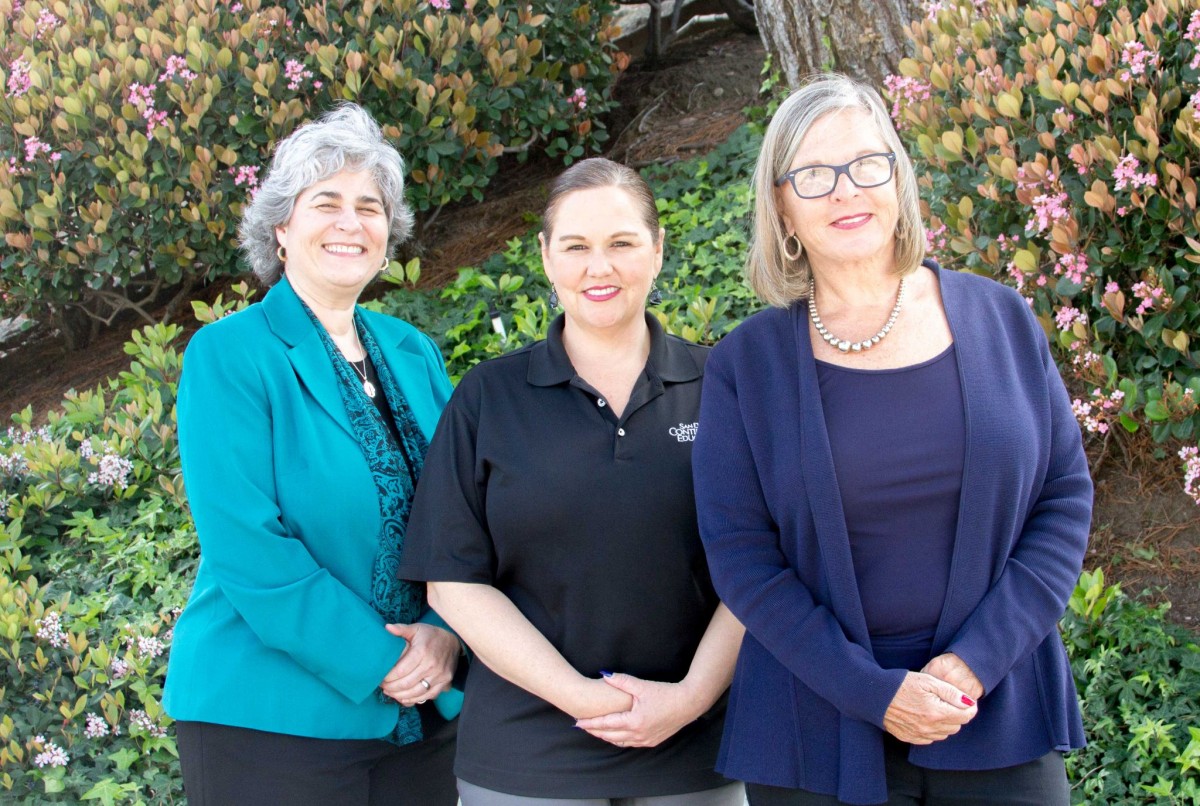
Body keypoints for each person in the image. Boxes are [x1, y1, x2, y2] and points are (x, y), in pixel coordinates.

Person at [692, 74, 1093, 806]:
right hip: (814, 729)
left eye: (866, 164)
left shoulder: (1000, 319)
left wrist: (975, 663)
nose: (846, 191)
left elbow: (1064, 499)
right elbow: (741, 555)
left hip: (996, 707)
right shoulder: (744, 366)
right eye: (813, 175)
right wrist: (871, 692)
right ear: (781, 207)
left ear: (898, 179)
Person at [398, 157, 746, 806]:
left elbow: (762, 563)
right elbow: (452, 584)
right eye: (577, 247)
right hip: (527, 754)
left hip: (696, 745)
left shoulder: (724, 387)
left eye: (621, 243)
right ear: (546, 257)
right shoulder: (488, 398)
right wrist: (581, 696)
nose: (599, 267)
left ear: (658, 249)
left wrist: (691, 697)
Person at [164, 103, 462, 805]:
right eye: (325, 202)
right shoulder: (229, 354)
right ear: (281, 228)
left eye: (370, 206)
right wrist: (383, 658)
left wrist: (445, 635)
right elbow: (247, 545)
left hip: (423, 718)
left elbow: (468, 514)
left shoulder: (413, 351)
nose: (351, 222)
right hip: (268, 723)